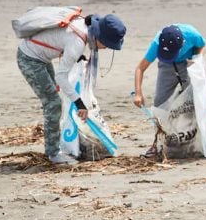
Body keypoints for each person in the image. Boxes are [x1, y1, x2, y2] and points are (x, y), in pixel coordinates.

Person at [17, 12, 126, 166]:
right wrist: (79, 103)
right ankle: (53, 153)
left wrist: (78, 58)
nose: (106, 48)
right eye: (107, 44)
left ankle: (54, 148)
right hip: (29, 59)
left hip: (40, 56)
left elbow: (63, 42)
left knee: (55, 98)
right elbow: (61, 77)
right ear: (99, 37)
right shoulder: (77, 42)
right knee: (53, 103)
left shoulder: (83, 25)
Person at [132, 23, 206, 157]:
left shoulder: (192, 34)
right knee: (159, 103)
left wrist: (195, 59)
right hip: (166, 66)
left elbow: (201, 46)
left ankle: (199, 140)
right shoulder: (157, 43)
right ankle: (158, 143)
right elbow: (140, 68)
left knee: (194, 100)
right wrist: (138, 93)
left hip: (188, 63)